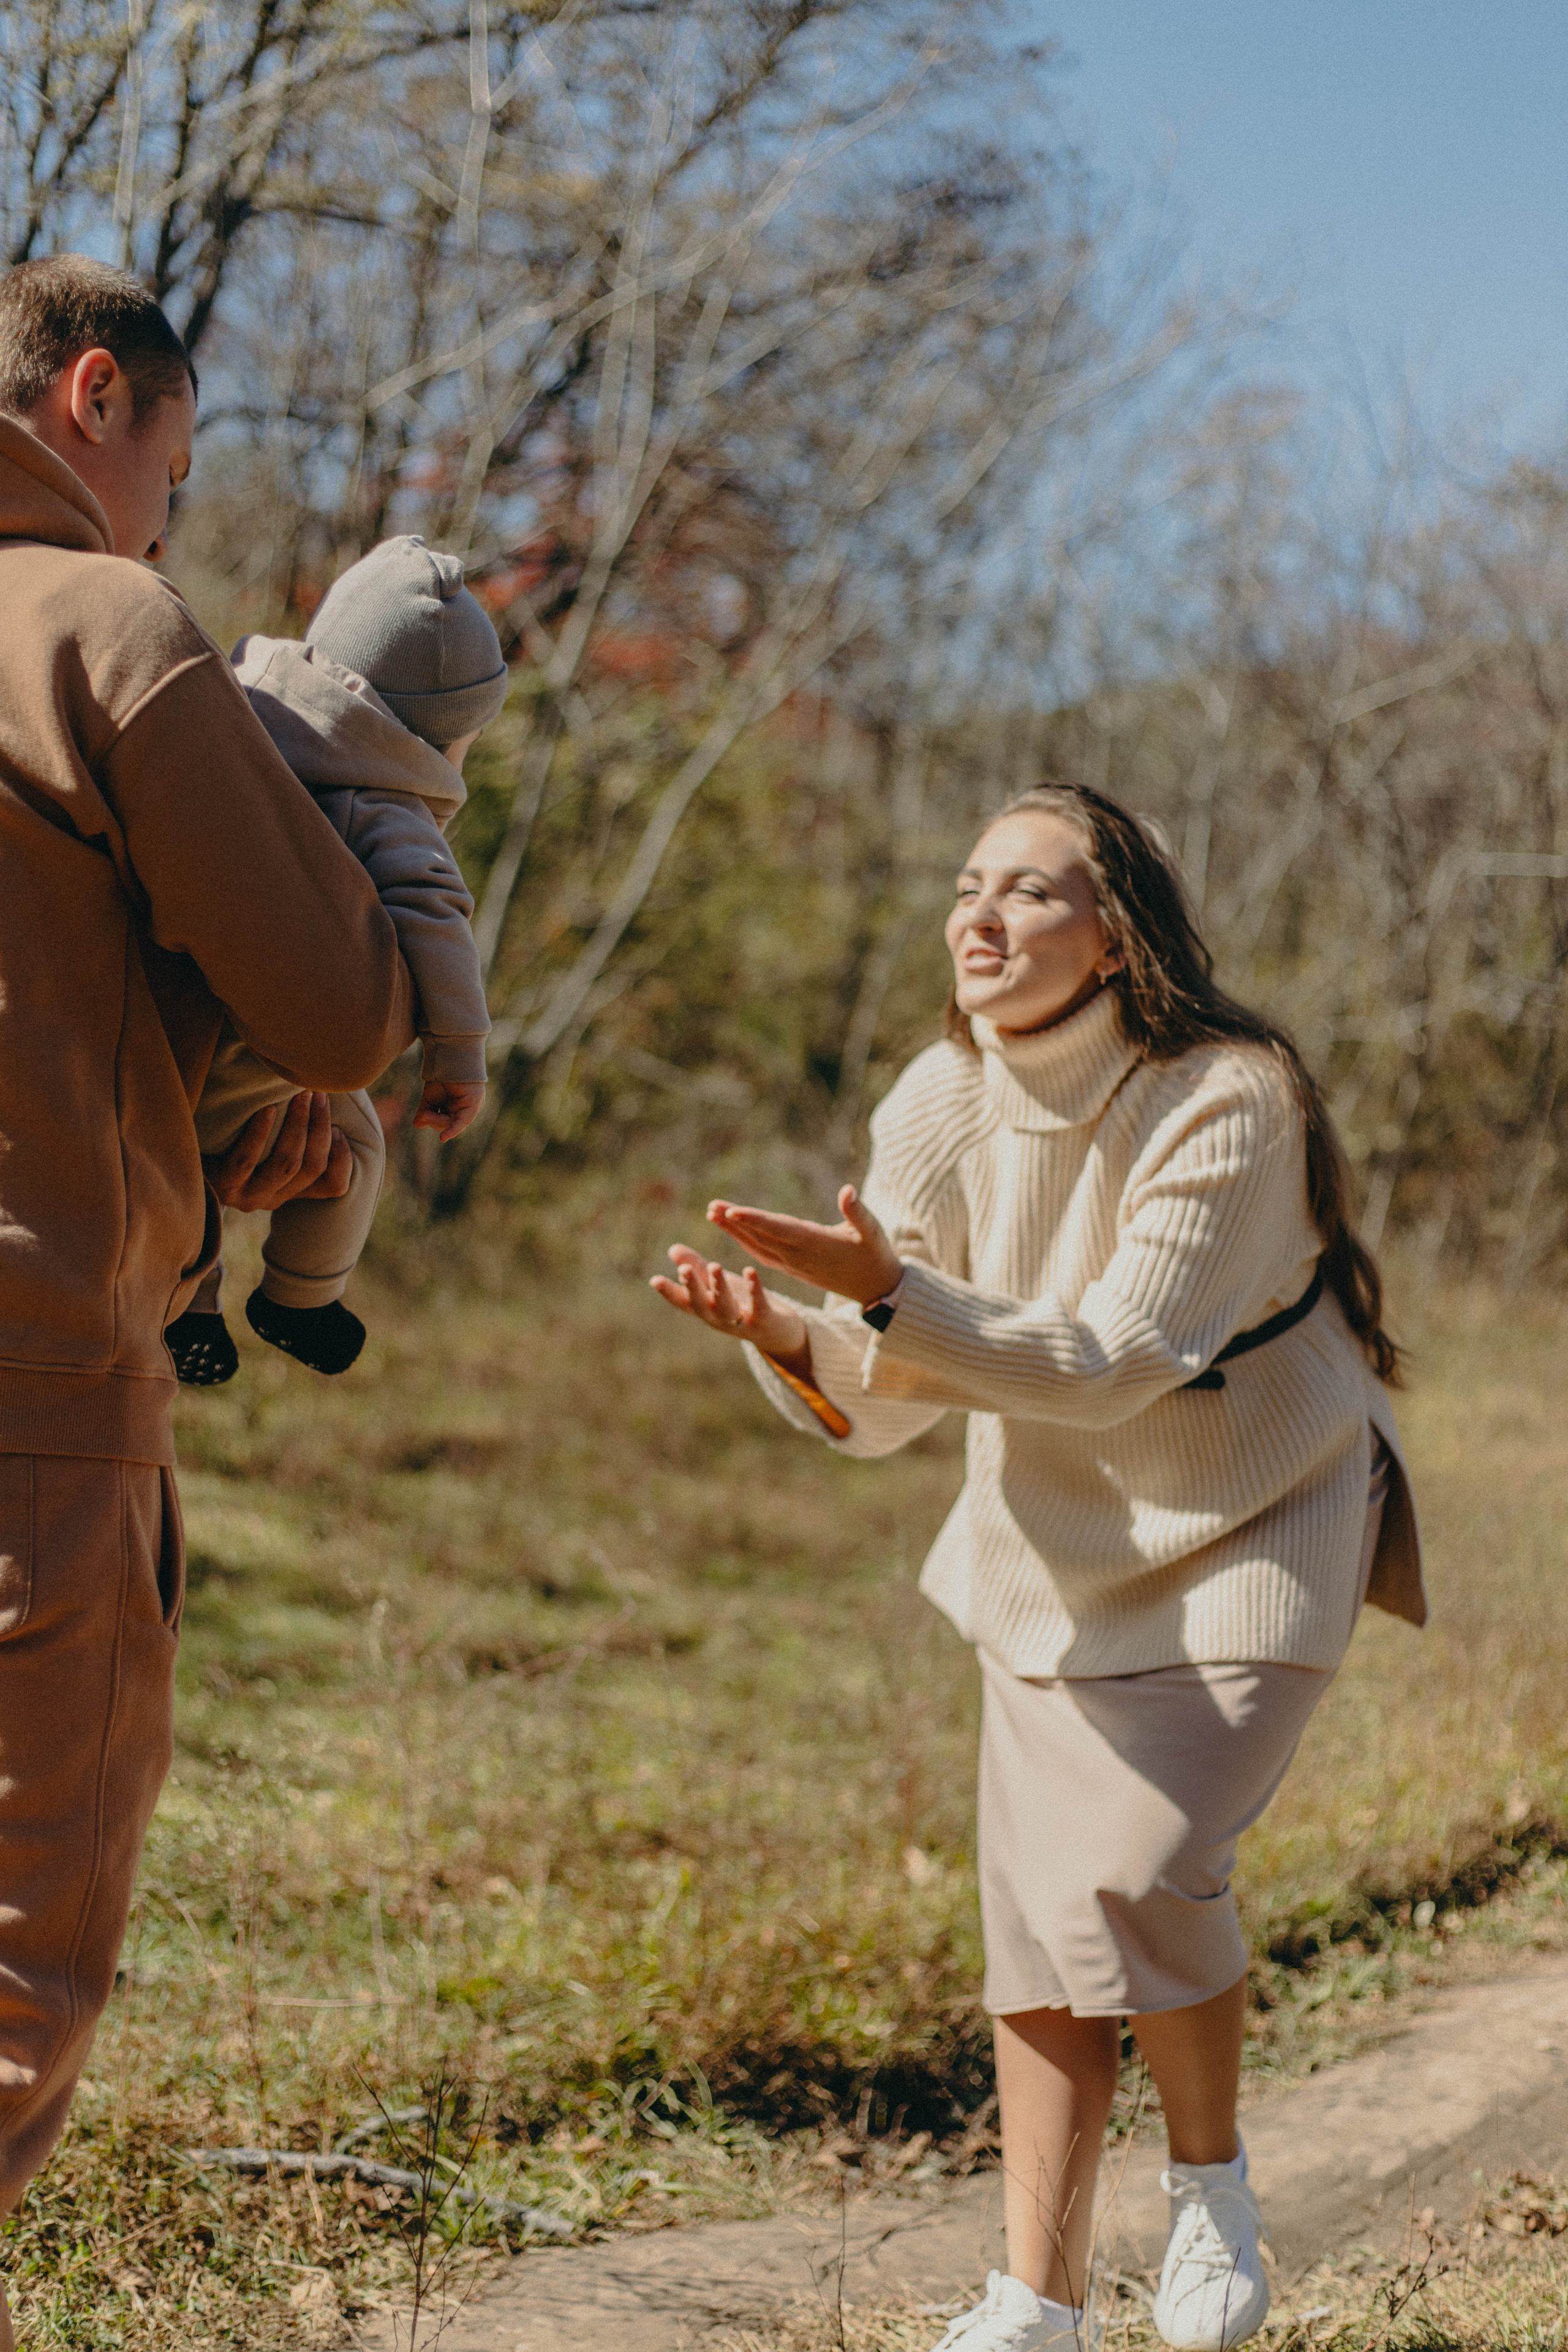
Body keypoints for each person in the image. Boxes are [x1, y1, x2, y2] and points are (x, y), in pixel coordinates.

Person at [652, 783, 1423, 2352]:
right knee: (1045, 1938)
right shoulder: (938, 1099)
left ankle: (1208, 2198)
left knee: (1134, 1877)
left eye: (1028, 892)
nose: (980, 919)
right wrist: (796, 1338)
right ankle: (1039, 2301)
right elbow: (882, 1421)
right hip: (1045, 1562)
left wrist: (885, 1294)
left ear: (1116, 932)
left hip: (1251, 1532)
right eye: (965, 888)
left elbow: (1110, 1361)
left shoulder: (1225, 1093)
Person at [0, 252, 414, 2344]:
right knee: (9, 1988)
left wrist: (162, 1100)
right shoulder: (97, 622)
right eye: (174, 452)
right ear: (99, 398)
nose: (167, 504)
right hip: (31, 1414)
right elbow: (343, 1013)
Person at [165, 534, 505, 1385]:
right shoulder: (379, 799)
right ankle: (300, 1298)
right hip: (260, 1060)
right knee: (354, 1146)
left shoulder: (235, 714)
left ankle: (193, 1309)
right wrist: (458, 1052)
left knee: (178, 1174)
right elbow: (434, 910)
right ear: (442, 736)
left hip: (169, 1033)